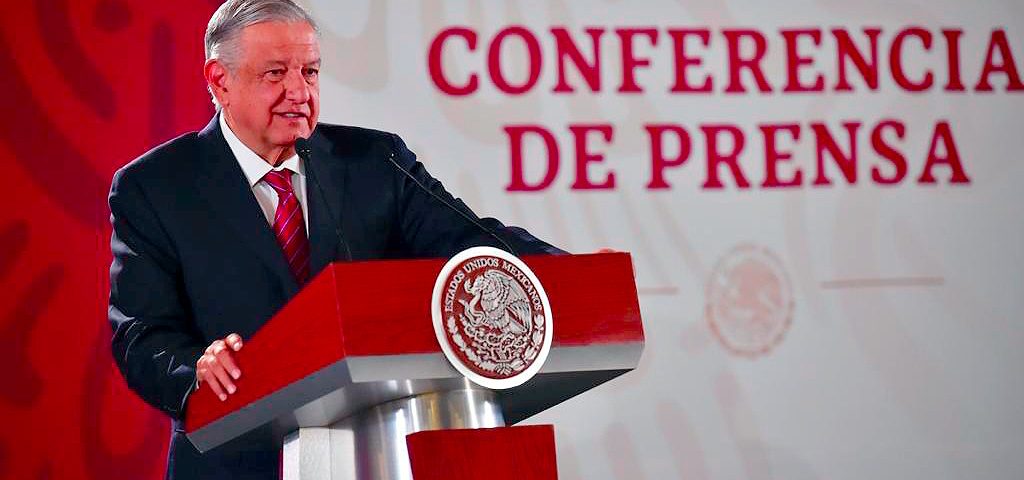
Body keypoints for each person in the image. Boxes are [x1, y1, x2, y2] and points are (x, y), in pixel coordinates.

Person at [106, 1, 561, 478]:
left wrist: (564, 271)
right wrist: (196, 367)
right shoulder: (155, 186)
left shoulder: (375, 160)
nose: (299, 91)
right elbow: (140, 333)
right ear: (220, 80)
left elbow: (469, 239)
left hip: (378, 452)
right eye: (276, 73)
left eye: (310, 71)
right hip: (236, 460)